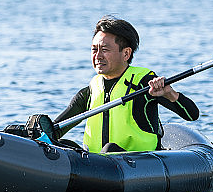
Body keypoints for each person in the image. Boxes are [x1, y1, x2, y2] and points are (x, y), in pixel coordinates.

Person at [54, 16, 199, 153]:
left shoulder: (144, 84)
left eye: (104, 49)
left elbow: (192, 115)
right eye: (94, 49)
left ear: (126, 54)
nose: (97, 56)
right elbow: (58, 128)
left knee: (110, 149)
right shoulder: (90, 91)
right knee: (63, 144)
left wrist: (169, 94)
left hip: (139, 163)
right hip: (96, 163)